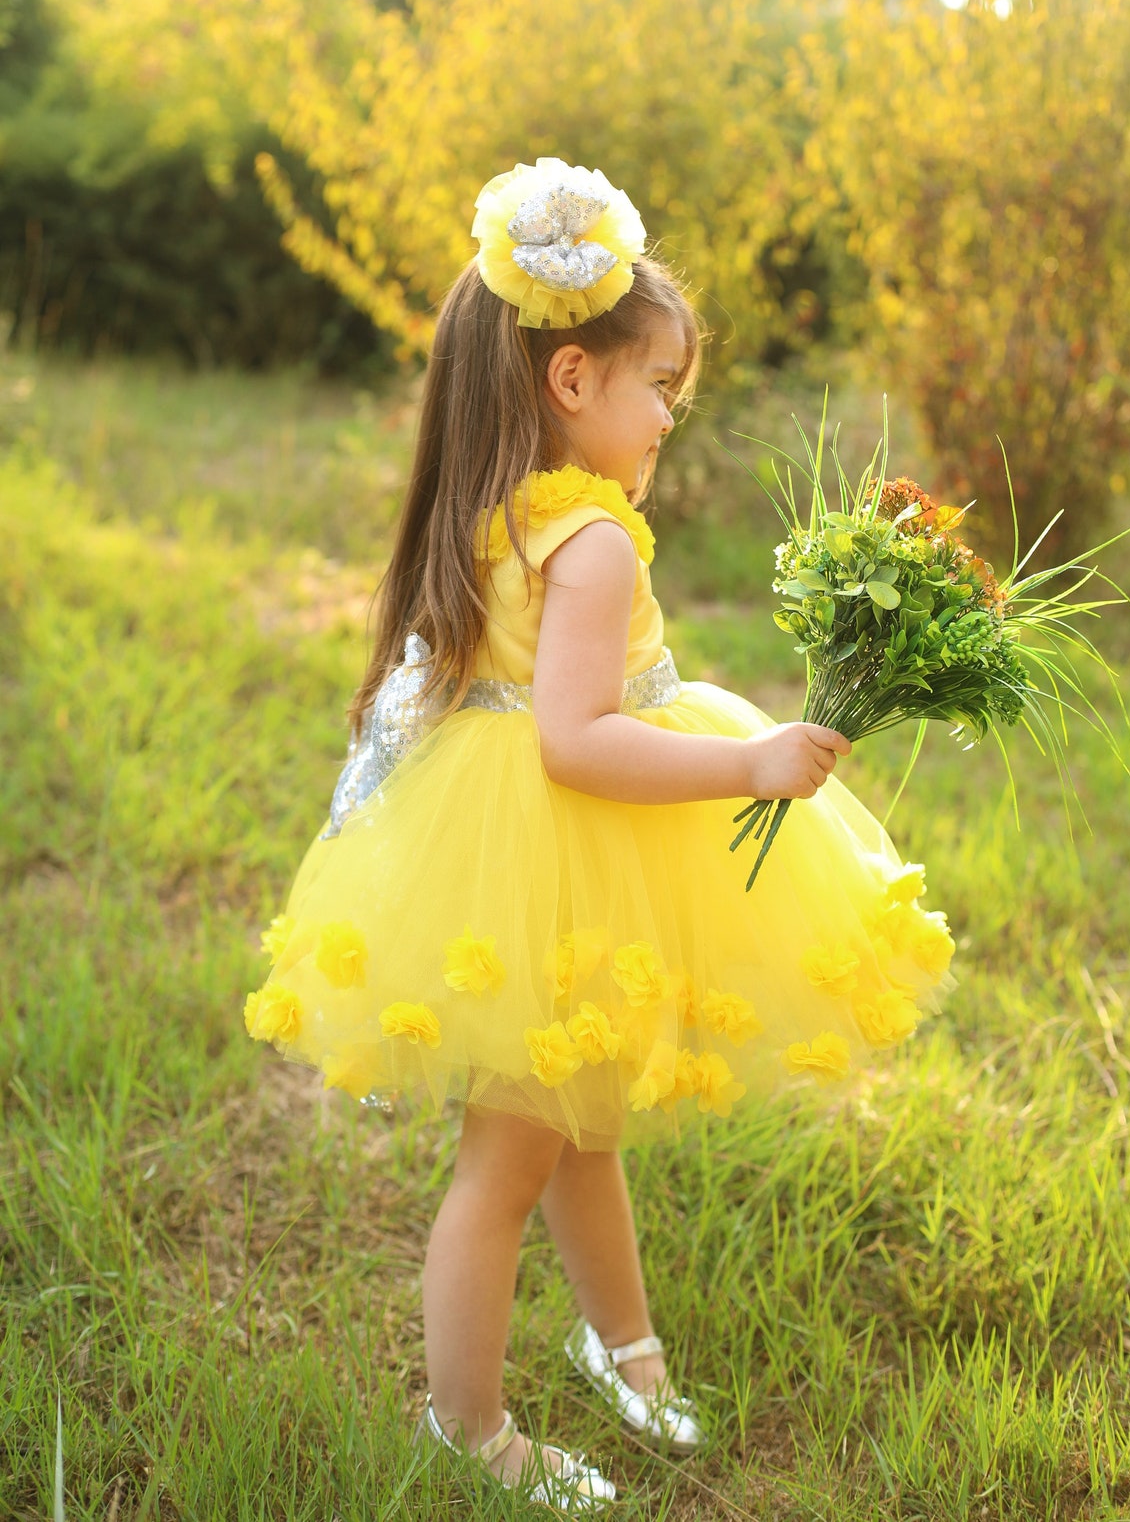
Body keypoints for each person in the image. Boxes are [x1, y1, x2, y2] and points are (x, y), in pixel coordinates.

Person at [244, 159, 957, 1510]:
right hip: (557, 843)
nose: (667, 422)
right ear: (575, 382)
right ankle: (468, 1425)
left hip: (523, 850)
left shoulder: (504, 506)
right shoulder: (595, 541)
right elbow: (573, 737)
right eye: (660, 393)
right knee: (509, 1162)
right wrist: (748, 758)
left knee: (585, 1127)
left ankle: (627, 1349)